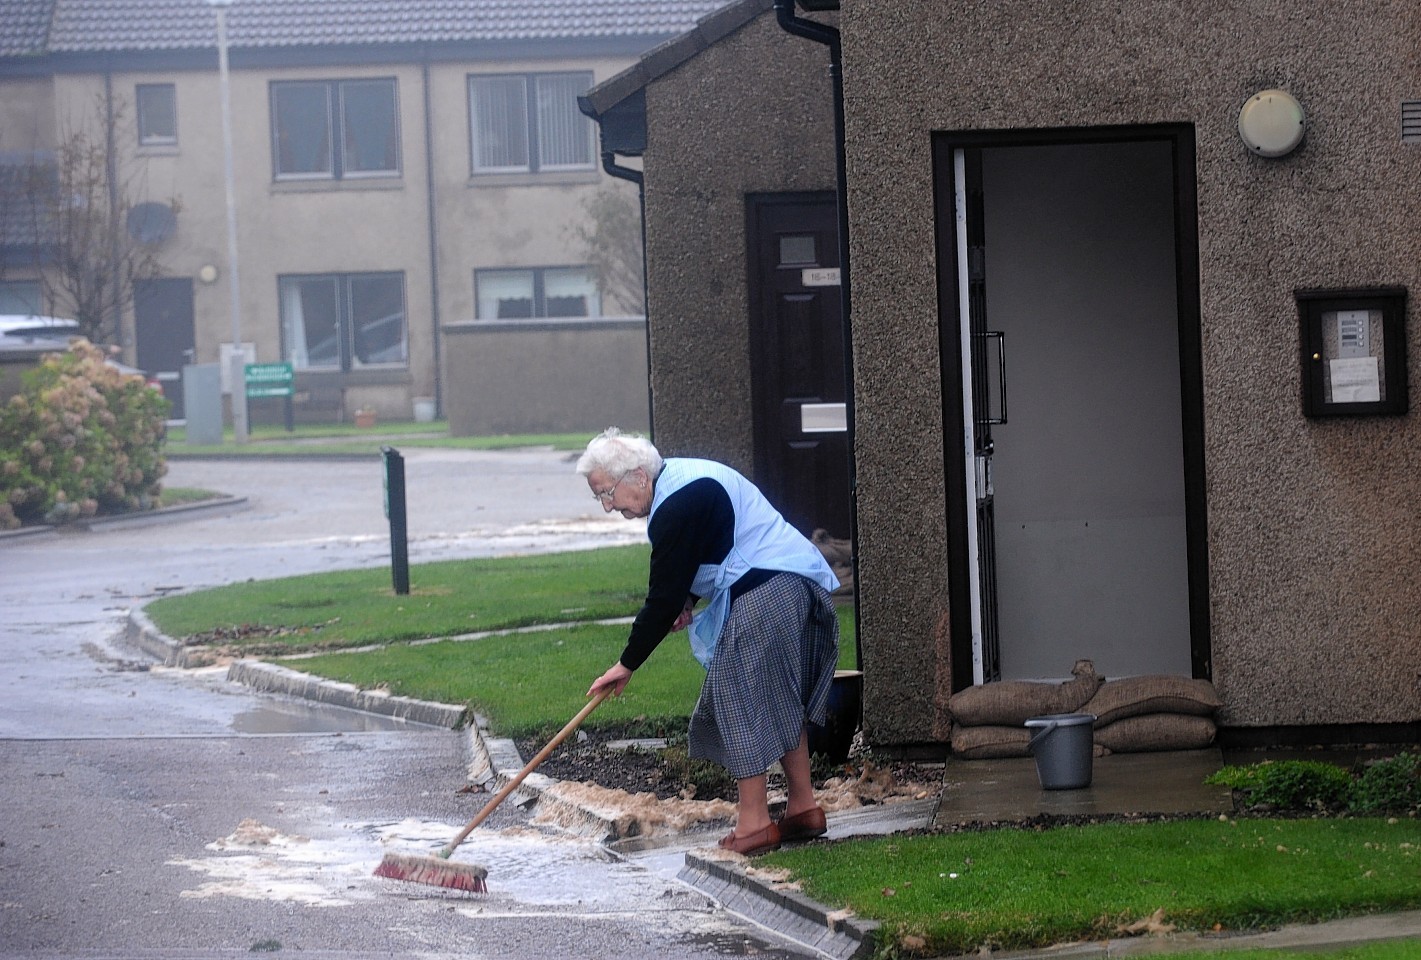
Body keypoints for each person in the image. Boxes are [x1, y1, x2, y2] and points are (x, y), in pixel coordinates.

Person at [578, 427, 840, 855]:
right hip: (787, 583)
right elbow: (706, 552)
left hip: (769, 589)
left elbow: (660, 597)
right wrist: (686, 599)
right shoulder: (682, 482)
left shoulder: (675, 504)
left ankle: (755, 824)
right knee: (779, 696)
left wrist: (626, 664)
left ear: (638, 477)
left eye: (608, 493)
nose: (608, 506)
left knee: (739, 699)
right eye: (599, 498)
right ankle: (802, 808)